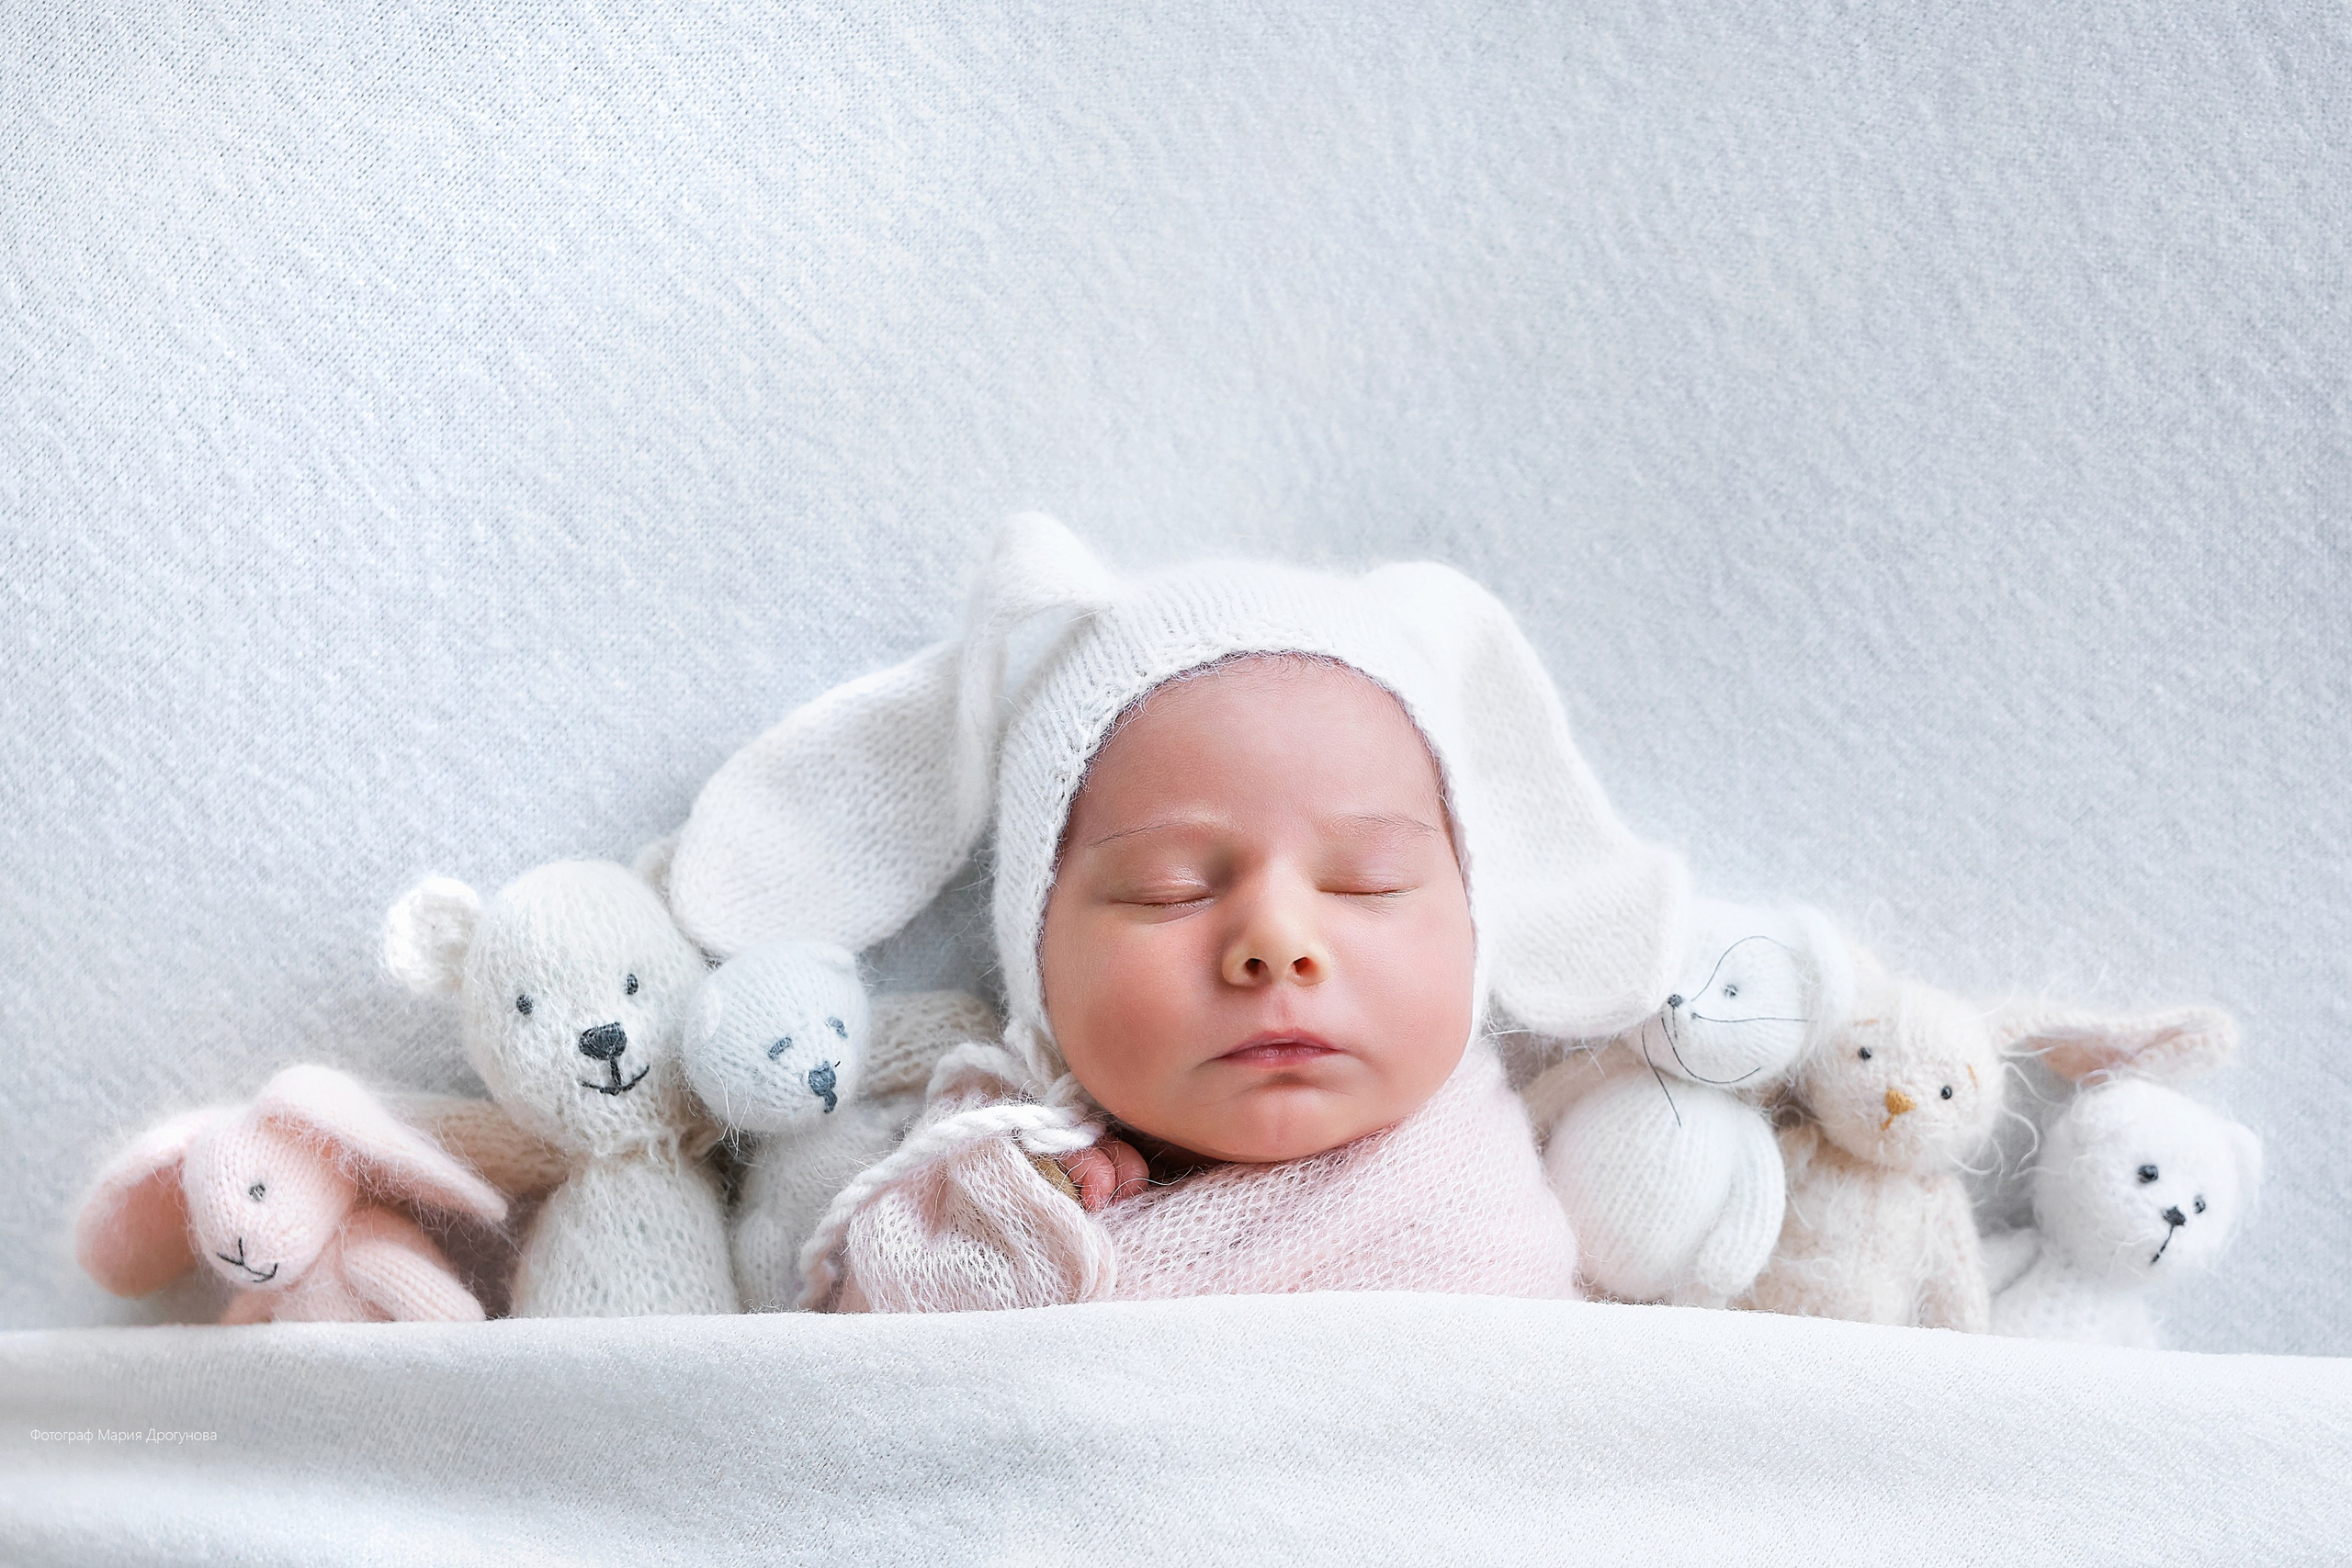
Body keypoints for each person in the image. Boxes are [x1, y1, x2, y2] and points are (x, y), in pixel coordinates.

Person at [662, 513, 1690, 1310]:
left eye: (1365, 883)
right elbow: (886, 1387)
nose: (1278, 944)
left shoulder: (1473, 1196)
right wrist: (1024, 1223)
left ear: (1473, 924)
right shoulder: (980, 1169)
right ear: (1037, 954)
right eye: (1172, 891)